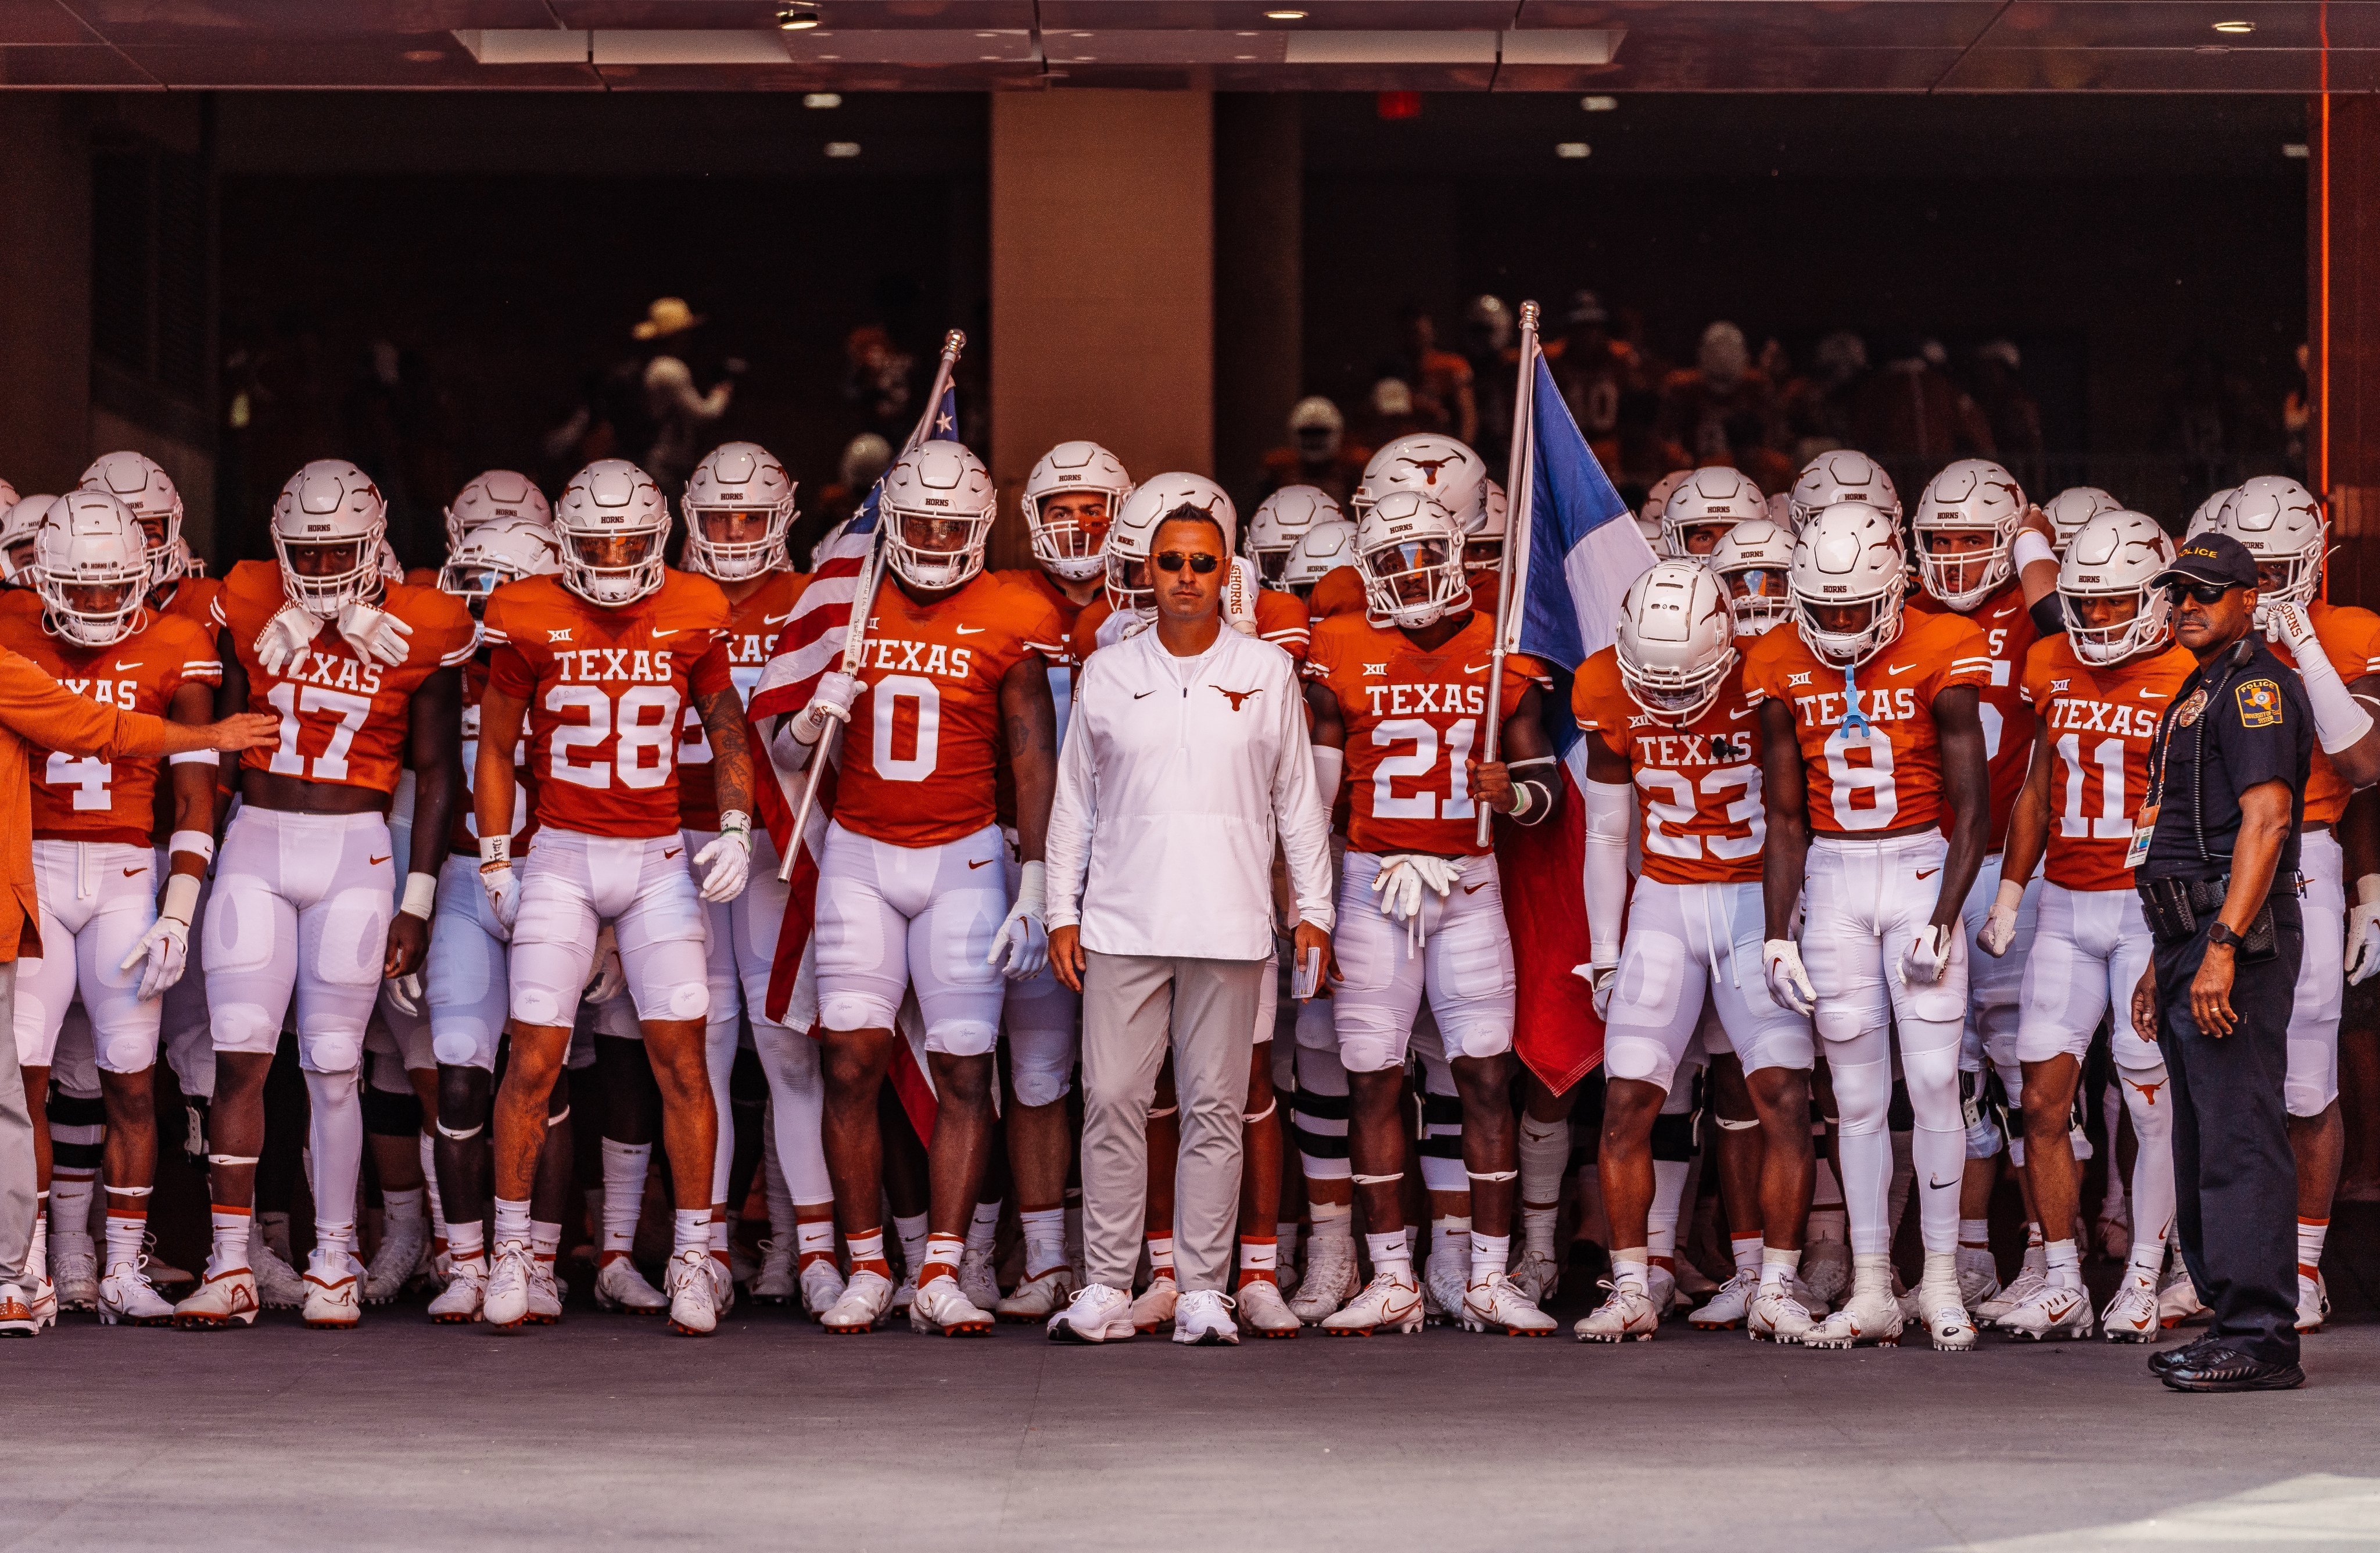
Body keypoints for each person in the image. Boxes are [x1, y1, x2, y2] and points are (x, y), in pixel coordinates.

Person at [170, 461, 473, 1333]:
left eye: (340, 549)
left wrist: (418, 898)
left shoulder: (424, 621)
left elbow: (437, 772)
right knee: (239, 1053)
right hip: (258, 843)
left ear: (375, 542)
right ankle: (231, 1263)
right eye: (306, 550)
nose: (322, 564)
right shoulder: (248, 594)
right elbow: (217, 736)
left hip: (354, 851)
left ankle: (335, 1260)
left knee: (336, 1063)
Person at [776, 442, 1063, 1337]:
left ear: (981, 528)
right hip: (860, 855)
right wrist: (809, 720)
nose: (936, 541)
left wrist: (1037, 879)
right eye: (921, 524)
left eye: (952, 526)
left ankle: (942, 1268)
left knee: (967, 1065)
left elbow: (1033, 758)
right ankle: (869, 1265)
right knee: (848, 1062)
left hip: (964, 861)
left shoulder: (1012, 609)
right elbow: (785, 751)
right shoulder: (850, 600)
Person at [1042, 500, 1334, 1348]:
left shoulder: (1268, 671)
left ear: (1227, 572)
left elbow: (1298, 805)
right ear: (1148, 570)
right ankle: (1108, 1283)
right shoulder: (1107, 672)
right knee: (1111, 1101)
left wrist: (1313, 911)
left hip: (1230, 922)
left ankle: (1205, 1291)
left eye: (1203, 563)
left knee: (1215, 1108)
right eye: (1170, 561)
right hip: (1121, 922)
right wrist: (1061, 910)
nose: (1185, 577)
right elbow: (1074, 803)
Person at [473, 458, 754, 1337]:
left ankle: (693, 1257)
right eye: (595, 544)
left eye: (629, 542)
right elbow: (495, 744)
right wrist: (495, 856)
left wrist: (737, 823)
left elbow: (727, 725)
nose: (613, 559)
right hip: (560, 853)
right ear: (565, 542)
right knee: (532, 1060)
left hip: (658, 858)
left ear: (658, 537)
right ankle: (513, 1252)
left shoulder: (694, 606)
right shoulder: (526, 610)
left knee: (683, 1065)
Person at [1300, 490, 1559, 1339]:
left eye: (1422, 558)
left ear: (1456, 558)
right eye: (1390, 563)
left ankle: (1487, 1275)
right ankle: (1392, 1278)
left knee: (1484, 1076)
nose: (1410, 577)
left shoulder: (1501, 650)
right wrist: (1309, 904)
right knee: (1373, 1077)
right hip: (1371, 883)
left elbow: (1548, 793)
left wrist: (1510, 792)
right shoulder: (1340, 646)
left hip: (1470, 884)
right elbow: (1315, 803)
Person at [1751, 498, 1995, 1350]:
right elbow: (1785, 816)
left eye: (1857, 607)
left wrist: (1946, 915)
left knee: (1932, 1083)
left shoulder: (1941, 643)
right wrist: (1776, 931)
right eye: (1826, 610)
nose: (1843, 625)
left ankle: (1939, 1281)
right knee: (1854, 1099)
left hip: (1921, 864)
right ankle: (1869, 1285)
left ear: (1893, 591)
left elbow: (1973, 808)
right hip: (1834, 876)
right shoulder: (1776, 660)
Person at [0, 605, 275, 1337]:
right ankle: (28, 1267)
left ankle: (121, 1266)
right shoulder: (10, 625)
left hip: (123, 872)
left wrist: (178, 910)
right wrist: (214, 734)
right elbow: (103, 729)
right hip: (35, 864)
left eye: (109, 591)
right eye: (78, 591)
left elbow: (192, 795)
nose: (95, 607)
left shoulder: (174, 638)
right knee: (24, 1083)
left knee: (130, 1076)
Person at [1573, 560, 1819, 1341]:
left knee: (1782, 1095)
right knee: (1626, 1100)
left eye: (1685, 683)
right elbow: (1606, 831)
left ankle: (1774, 1283)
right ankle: (1630, 1285)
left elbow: (1792, 815)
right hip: (1666, 900)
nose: (1669, 700)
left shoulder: (1766, 669)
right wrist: (1605, 951)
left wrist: (1787, 924)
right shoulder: (1603, 682)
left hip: (1751, 898)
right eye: (1653, 681)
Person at [2127, 534, 2312, 1393]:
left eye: (2206, 591)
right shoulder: (2204, 685)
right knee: (2204, 1137)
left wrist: (2223, 947)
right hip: (2189, 937)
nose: (2187, 605)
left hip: (2232, 939)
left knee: (2239, 1137)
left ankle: (2262, 1337)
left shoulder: (2257, 688)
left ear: (2250, 597)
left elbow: (2267, 821)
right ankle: (2231, 1320)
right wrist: (2164, 956)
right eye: (2178, 592)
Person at [2212, 477, 2380, 1333]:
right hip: (2216, 853)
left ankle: (2304, 1265)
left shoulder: (2352, 631)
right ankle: (2216, 1263)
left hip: (2307, 849)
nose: (2268, 584)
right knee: (2213, 1075)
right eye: (2255, 569)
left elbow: (2363, 762)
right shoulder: (2201, 627)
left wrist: (2304, 645)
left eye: (2282, 567)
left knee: (2307, 1082)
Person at [989, 440, 1130, 1325]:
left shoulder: (1153, 596)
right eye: (1060, 509)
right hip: (1034, 855)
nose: (1079, 524)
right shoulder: (1001, 600)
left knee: (1134, 1075)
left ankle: (1134, 1257)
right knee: (1038, 1069)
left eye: (1095, 507)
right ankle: (1045, 1255)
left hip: (1133, 860)